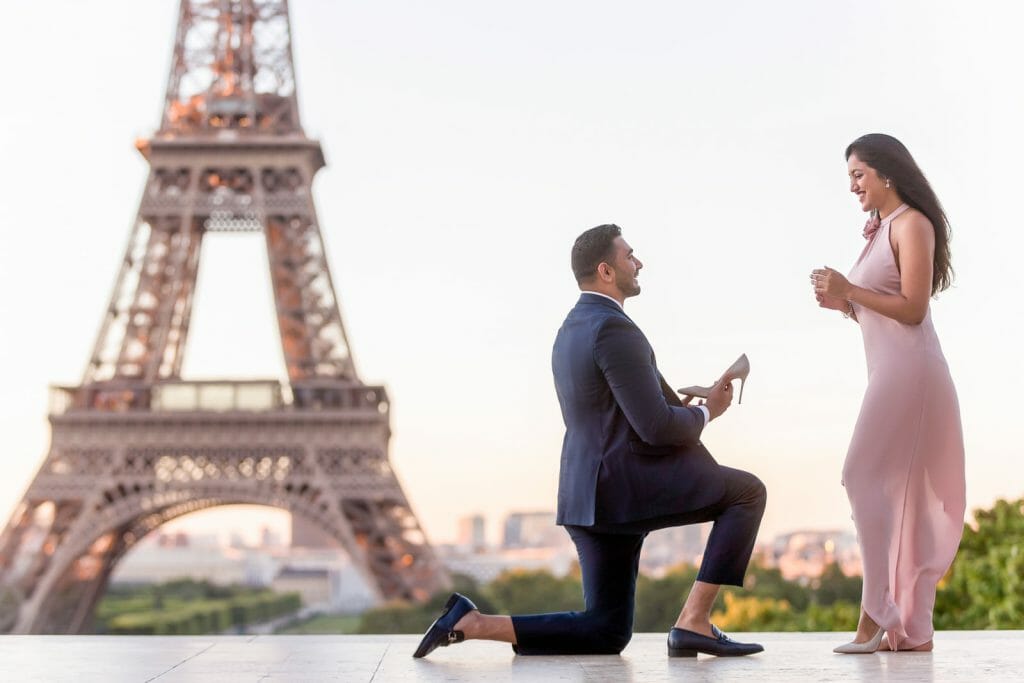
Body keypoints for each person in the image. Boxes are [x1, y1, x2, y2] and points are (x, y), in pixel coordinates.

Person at [414, 224, 766, 659]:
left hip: (586, 495)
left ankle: (473, 623)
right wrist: (709, 410)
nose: (639, 263)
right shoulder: (615, 329)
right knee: (747, 493)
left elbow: (610, 413)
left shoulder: (572, 328)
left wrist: (681, 405)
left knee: (606, 631)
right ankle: (694, 621)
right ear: (605, 270)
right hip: (624, 490)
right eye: (630, 256)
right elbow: (654, 428)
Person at [811, 133, 966, 653]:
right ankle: (903, 625)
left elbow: (914, 309)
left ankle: (877, 614)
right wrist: (843, 305)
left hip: (912, 371)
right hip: (889, 370)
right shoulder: (880, 231)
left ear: (886, 174)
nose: (852, 186)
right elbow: (880, 307)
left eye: (858, 174)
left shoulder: (912, 224)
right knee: (888, 492)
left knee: (859, 474)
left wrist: (850, 290)